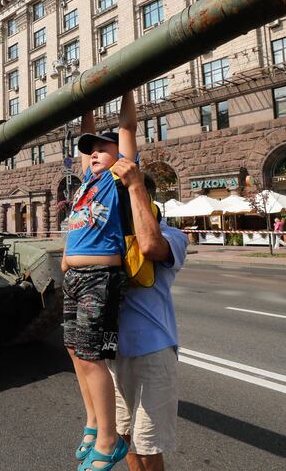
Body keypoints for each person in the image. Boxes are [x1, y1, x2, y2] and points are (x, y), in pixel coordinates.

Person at [63, 90, 137, 470]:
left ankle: (110, 442)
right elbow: (84, 140)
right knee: (76, 352)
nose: (94, 154)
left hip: (99, 278)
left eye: (102, 149)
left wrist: (127, 83)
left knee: (93, 357)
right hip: (74, 276)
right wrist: (87, 104)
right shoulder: (84, 184)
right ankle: (93, 421)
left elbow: (126, 129)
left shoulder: (113, 179)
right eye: (90, 151)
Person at [106, 161, 188, 471]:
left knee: (148, 445)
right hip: (114, 351)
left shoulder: (173, 236)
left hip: (152, 352)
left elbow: (151, 246)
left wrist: (134, 185)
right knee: (123, 437)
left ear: (145, 200)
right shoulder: (114, 238)